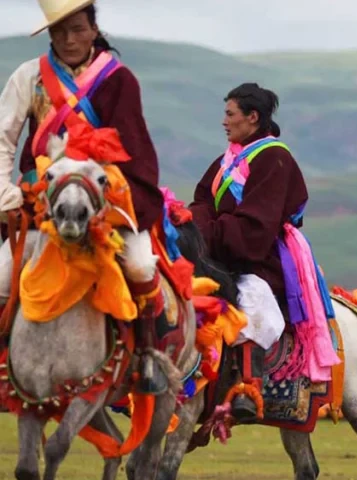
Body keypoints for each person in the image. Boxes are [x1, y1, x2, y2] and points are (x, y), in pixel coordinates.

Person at [0, 0, 172, 393]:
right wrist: (6, 194)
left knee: (143, 266)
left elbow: (135, 148)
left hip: (106, 203)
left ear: (94, 29)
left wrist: (117, 206)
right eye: (59, 31)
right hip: (42, 206)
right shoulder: (29, 77)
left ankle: (147, 358)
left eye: (77, 29)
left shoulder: (119, 80)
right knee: (1, 279)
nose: (68, 39)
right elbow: (3, 138)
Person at [190, 82, 338, 421]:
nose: (224, 122)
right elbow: (201, 200)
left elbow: (257, 224)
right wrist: (197, 227)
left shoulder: (275, 159)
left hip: (262, 254)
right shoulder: (226, 159)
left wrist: (209, 229)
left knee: (253, 301)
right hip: (217, 249)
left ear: (252, 117)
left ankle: (247, 386)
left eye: (230, 114)